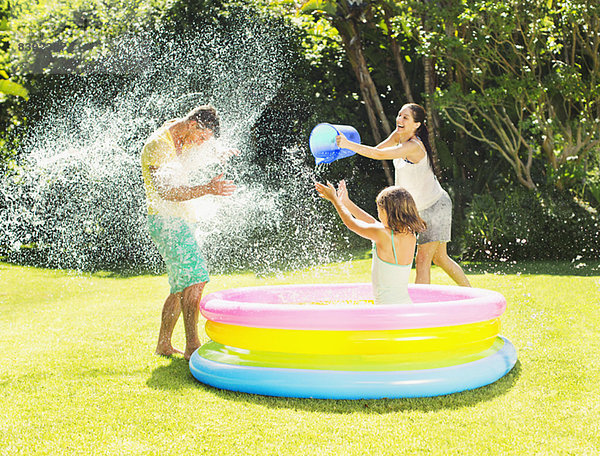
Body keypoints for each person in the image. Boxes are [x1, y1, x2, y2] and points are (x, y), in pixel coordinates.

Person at [336, 103, 471, 287]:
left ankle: (420, 310)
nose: (399, 119)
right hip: (416, 209)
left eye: (405, 117)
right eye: (399, 115)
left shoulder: (414, 146)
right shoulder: (398, 136)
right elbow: (377, 150)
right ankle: (471, 294)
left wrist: (349, 144)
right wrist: (345, 148)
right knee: (440, 258)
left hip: (434, 206)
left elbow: (377, 154)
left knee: (422, 260)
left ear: (417, 124)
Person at [141, 104, 237, 360]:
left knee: (179, 285)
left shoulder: (182, 130)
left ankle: (163, 344)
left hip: (178, 220)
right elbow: (166, 193)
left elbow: (200, 147)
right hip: (166, 221)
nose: (202, 143)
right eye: (202, 137)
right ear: (194, 125)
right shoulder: (159, 146)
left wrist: (218, 152)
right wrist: (208, 188)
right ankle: (192, 345)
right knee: (196, 278)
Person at [315, 180, 426, 305]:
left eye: (379, 210)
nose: (378, 215)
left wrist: (334, 199)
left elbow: (351, 223)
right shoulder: (410, 234)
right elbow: (372, 222)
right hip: (405, 304)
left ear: (388, 212)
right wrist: (346, 203)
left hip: (386, 309)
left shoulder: (382, 234)